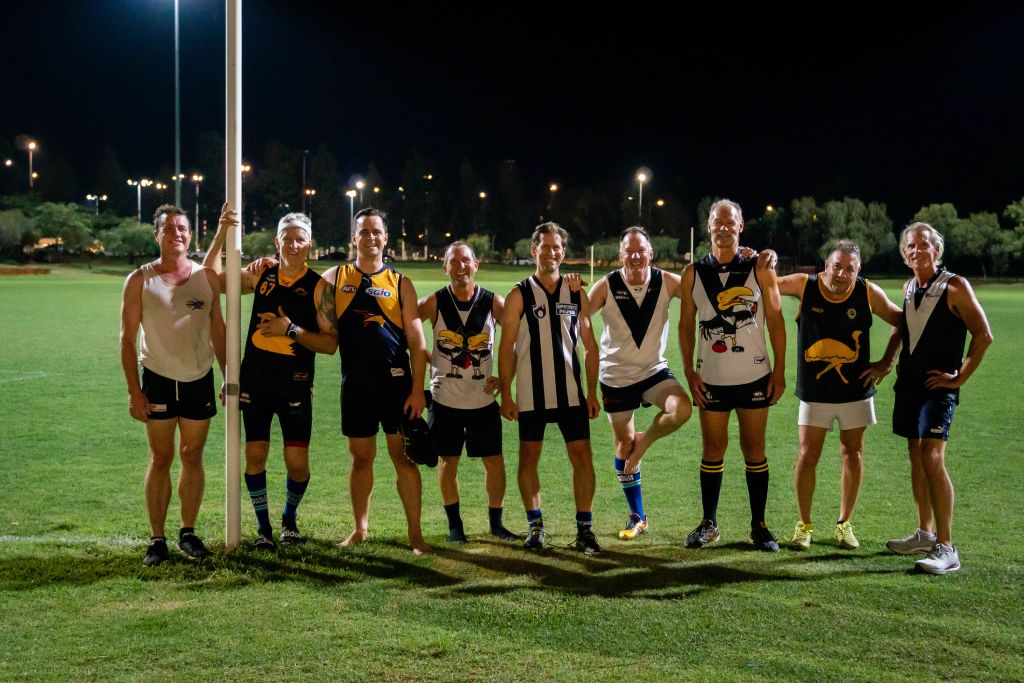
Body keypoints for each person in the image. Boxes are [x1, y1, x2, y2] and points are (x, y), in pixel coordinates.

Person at [204, 205, 338, 550]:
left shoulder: (319, 287)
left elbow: (329, 344)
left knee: (297, 464)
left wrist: (290, 329)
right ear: (277, 242)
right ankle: (263, 529)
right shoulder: (260, 275)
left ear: (310, 245)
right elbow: (211, 281)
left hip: (294, 383)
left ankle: (288, 518)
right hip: (256, 383)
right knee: (255, 456)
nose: (293, 245)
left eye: (300, 239)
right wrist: (221, 235)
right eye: (287, 239)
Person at [776, 240, 903, 550]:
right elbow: (767, 283)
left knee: (853, 453)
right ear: (826, 265)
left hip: (855, 391)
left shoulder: (867, 291)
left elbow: (901, 322)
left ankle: (844, 524)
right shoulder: (804, 286)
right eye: (837, 266)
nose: (843, 273)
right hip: (814, 392)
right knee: (807, 455)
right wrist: (762, 260)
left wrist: (887, 361)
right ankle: (803, 525)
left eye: (850, 268)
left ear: (858, 271)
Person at [320, 208, 431, 555]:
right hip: (355, 386)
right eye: (364, 232)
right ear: (354, 238)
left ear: (386, 238)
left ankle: (415, 535)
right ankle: (360, 528)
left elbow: (418, 343)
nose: (370, 237)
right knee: (361, 459)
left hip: (397, 387)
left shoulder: (401, 283)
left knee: (404, 458)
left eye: (376, 232)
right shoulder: (333, 279)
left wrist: (417, 390)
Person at [120, 204, 226, 566]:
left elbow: (219, 329)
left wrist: (230, 377)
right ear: (157, 234)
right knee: (161, 457)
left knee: (192, 456)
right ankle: (157, 539)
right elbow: (126, 340)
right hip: (158, 380)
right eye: (169, 228)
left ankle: (188, 532)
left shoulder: (207, 277)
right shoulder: (140, 280)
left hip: (199, 378)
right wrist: (135, 391)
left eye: (182, 228)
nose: (177, 233)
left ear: (190, 234)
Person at [678, 199, 786, 552]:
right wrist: (689, 373)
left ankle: (760, 526)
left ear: (741, 227)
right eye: (716, 221)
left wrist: (780, 370)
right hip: (711, 378)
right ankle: (709, 524)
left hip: (755, 375)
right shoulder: (693, 273)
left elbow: (776, 321)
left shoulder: (760, 268)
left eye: (730, 221)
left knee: (754, 449)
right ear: (708, 226)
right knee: (713, 449)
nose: (723, 227)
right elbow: (685, 327)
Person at [886, 222, 992, 575]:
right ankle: (924, 533)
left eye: (924, 244)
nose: (917, 250)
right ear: (905, 254)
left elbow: (983, 335)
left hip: (938, 389)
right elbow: (903, 329)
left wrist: (959, 376)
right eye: (911, 246)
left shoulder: (955, 286)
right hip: (910, 386)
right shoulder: (908, 286)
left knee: (933, 456)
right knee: (916, 455)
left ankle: (947, 548)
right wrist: (888, 362)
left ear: (937, 249)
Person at [498, 222, 602, 553]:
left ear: (563, 252)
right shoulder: (519, 294)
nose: (552, 252)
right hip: (531, 393)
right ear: (534, 251)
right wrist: (506, 393)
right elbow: (507, 347)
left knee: (582, 457)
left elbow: (590, 345)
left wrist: (591, 392)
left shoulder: (576, 292)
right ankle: (536, 526)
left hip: (571, 393)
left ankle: (584, 528)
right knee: (529, 457)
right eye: (545, 247)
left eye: (557, 247)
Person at [586, 227, 692, 540]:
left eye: (640, 250)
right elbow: (577, 314)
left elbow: (704, 292)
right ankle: (638, 516)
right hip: (616, 375)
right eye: (628, 251)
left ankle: (643, 443)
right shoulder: (606, 285)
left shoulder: (666, 281)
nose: (634, 256)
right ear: (621, 256)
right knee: (623, 445)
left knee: (682, 409)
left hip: (652, 371)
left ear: (650, 253)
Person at [418, 241, 517, 542]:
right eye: (453, 261)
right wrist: (429, 360)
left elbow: (516, 340)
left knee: (494, 461)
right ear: (444, 267)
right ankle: (454, 526)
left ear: (476, 265)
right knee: (448, 462)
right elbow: (405, 330)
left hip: (482, 399)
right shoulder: (434, 302)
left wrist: (505, 379)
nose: (460, 267)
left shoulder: (493, 302)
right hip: (444, 399)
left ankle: (496, 523)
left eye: (466, 261)